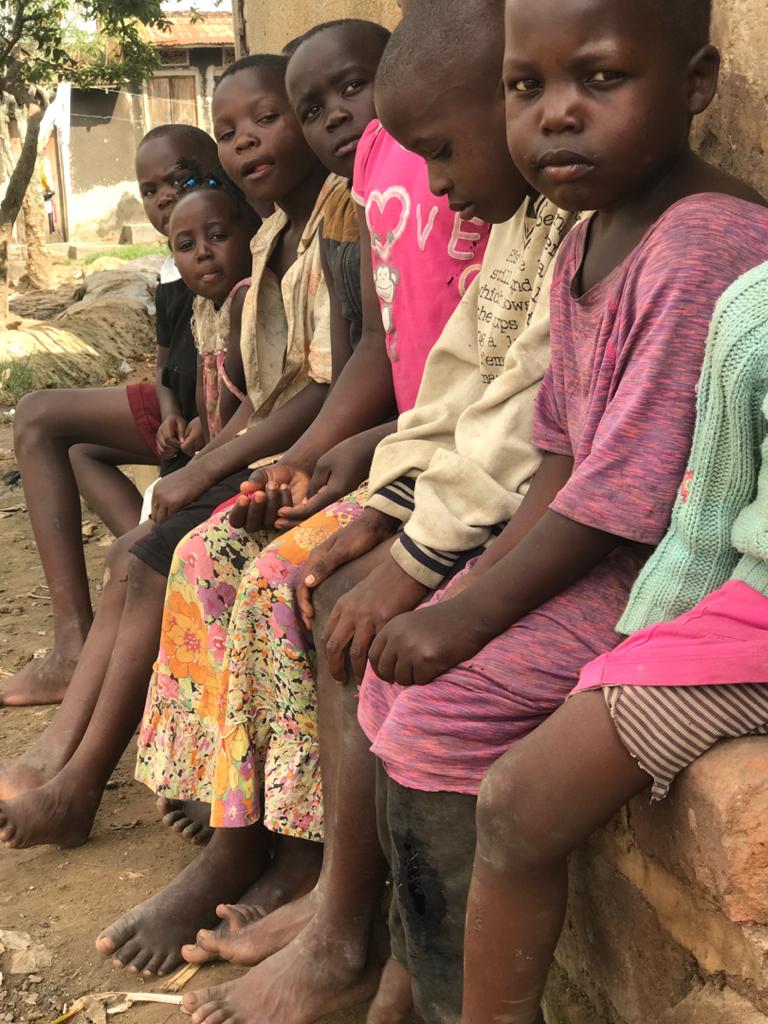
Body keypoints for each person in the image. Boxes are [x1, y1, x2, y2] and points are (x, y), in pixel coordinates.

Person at [350, 0, 768, 1019]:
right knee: (388, 689)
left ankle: (454, 999)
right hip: (601, 547)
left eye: (600, 79)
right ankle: (411, 966)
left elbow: (624, 501)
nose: (556, 115)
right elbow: (560, 454)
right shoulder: (586, 238)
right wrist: (468, 589)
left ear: (697, 85)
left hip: (663, 571)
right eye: (525, 87)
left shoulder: (703, 244)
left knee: (439, 711)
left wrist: (469, 617)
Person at [176, 2, 575, 1022]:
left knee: (363, 617)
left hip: (534, 525)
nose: (436, 183)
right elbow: (452, 388)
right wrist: (375, 513)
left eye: (440, 151)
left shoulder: (574, 233)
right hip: (462, 494)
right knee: (328, 586)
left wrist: (408, 556)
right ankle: (344, 918)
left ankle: (357, 935)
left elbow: (521, 423)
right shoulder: (522, 228)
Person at [96, 13, 490, 982]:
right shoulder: (363, 198)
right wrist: (317, 456)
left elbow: (468, 389)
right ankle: (244, 831)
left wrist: (332, 457)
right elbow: (379, 357)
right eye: (313, 108)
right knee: (205, 553)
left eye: (352, 89)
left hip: (445, 467)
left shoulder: (458, 194)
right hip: (398, 450)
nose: (339, 117)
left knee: (286, 580)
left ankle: (306, 860)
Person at [0, 53, 338, 859]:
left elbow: (298, 389)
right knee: (137, 546)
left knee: (146, 555)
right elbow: (228, 383)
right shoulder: (266, 247)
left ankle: (77, 775)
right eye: (233, 132)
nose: (248, 143)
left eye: (267, 120)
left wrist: (209, 460)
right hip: (246, 448)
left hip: (286, 457)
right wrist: (192, 441)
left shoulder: (308, 242)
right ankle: (65, 751)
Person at [462, 257, 768, 1024]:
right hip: (757, 619)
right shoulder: (754, 314)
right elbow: (705, 524)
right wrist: (646, 645)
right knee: (518, 802)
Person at [2, 124, 219, 709]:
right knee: (67, 442)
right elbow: (165, 364)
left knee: (38, 418)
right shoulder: (172, 272)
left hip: (217, 416)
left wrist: (202, 418)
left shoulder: (225, 245)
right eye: (150, 190)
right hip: (180, 408)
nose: (165, 196)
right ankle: (132, 576)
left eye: (181, 178)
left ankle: (83, 639)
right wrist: (170, 409)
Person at [166, 169, 259, 442]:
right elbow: (202, 392)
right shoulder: (203, 306)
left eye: (217, 236)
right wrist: (206, 448)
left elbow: (243, 397)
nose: (203, 252)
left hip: (252, 446)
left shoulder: (248, 297)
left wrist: (208, 458)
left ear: (252, 234)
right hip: (221, 447)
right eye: (186, 245)